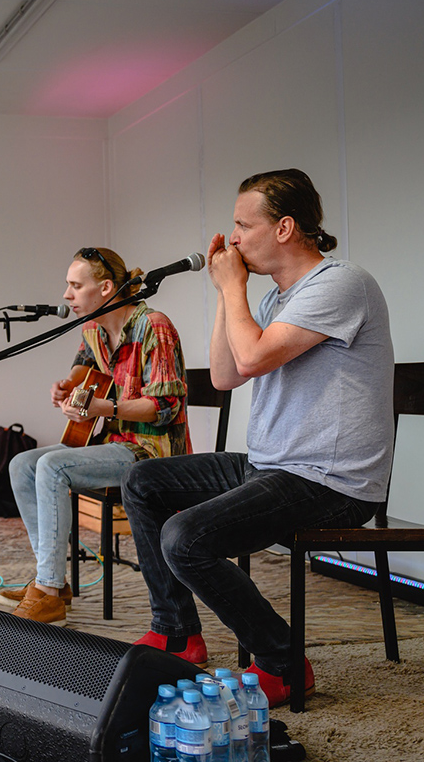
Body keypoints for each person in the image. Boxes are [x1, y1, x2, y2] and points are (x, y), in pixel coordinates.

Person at [120, 169, 394, 708]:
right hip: (274, 465)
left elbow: (251, 357)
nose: (234, 237)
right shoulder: (274, 299)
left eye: (244, 225)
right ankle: (178, 631)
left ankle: (282, 661)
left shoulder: (341, 283)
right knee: (144, 480)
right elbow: (226, 375)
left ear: (286, 227)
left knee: (185, 537)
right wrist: (229, 296)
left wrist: (232, 286)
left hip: (332, 481)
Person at [0, 247, 191, 626]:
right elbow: (83, 364)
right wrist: (66, 385)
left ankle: (48, 591)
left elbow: (165, 406)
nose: (66, 296)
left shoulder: (154, 325)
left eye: (74, 286)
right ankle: (50, 579)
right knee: (21, 464)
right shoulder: (94, 329)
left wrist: (106, 408)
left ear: (105, 287)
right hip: (112, 444)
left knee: (53, 466)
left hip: (152, 451)